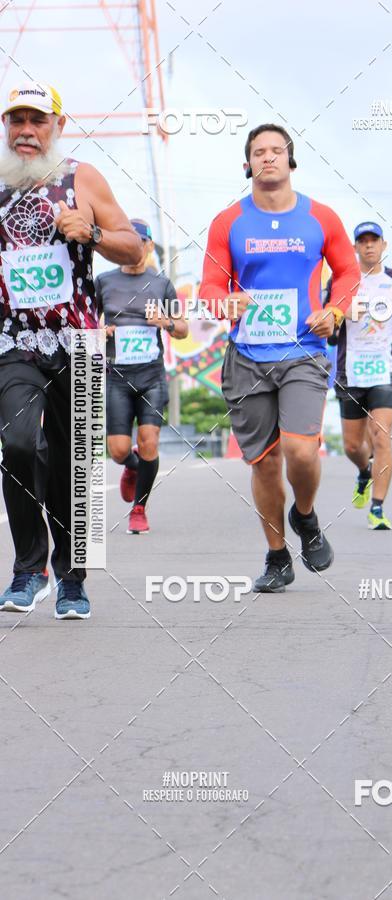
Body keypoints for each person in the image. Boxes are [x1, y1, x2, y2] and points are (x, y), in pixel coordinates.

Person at [0, 82, 143, 618]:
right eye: (16, 121)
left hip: (78, 341)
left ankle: (73, 580)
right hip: (14, 341)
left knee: (75, 464)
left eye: (37, 121)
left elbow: (133, 243)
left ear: (58, 126)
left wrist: (93, 234)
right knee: (16, 445)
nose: (26, 131)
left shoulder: (79, 178)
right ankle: (26, 569)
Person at [199, 123, 360, 592]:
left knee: (300, 450)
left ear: (291, 161)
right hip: (247, 354)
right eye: (258, 152)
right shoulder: (228, 221)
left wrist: (336, 309)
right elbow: (210, 283)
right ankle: (276, 556)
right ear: (247, 164)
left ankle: (304, 517)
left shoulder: (321, 218)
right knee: (266, 464)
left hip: (303, 350)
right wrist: (220, 302)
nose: (268, 157)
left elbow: (348, 269)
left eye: (277, 151)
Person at [95, 220, 187, 534]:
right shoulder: (104, 281)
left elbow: (183, 327)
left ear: (148, 247)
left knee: (149, 443)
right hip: (117, 377)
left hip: (151, 376)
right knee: (119, 450)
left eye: (141, 242)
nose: (135, 248)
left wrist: (164, 322)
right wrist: (100, 332)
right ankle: (132, 467)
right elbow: (84, 321)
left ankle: (139, 509)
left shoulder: (161, 284)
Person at [327, 222, 392, 530]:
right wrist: (340, 315)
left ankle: (377, 509)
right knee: (353, 445)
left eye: (373, 240)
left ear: (384, 245)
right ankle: (364, 472)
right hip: (349, 369)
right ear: (354, 248)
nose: (368, 246)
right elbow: (328, 323)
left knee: (381, 436)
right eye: (362, 241)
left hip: (383, 368)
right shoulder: (341, 280)